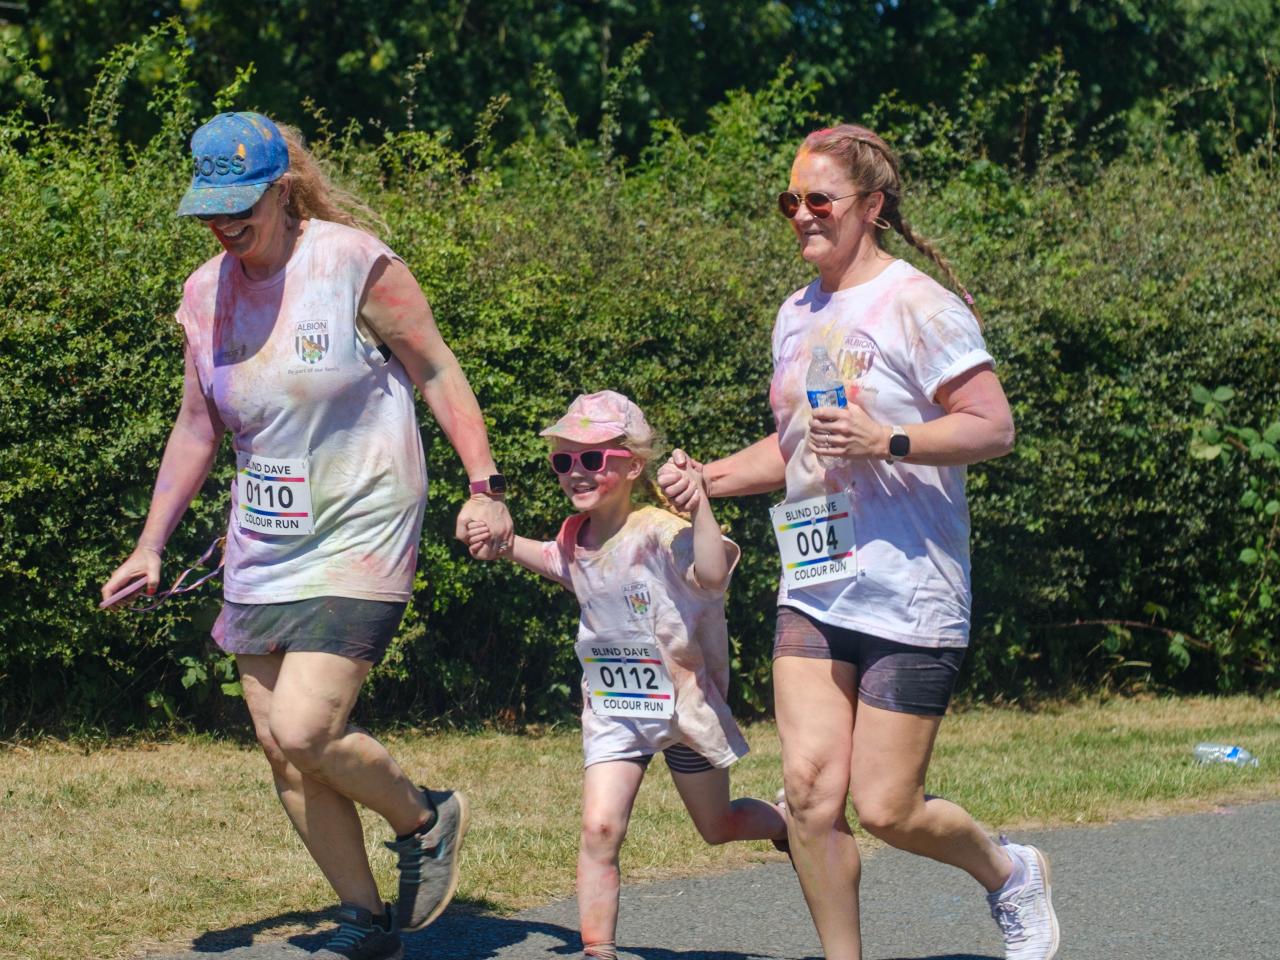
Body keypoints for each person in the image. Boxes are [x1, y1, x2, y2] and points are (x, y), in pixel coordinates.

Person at [99, 112, 513, 960]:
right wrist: (150, 543)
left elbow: (436, 367)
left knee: (306, 728)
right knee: (281, 752)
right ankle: (362, 916)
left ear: (281, 188)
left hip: (363, 522)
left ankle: (424, 815)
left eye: (239, 204)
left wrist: (486, 486)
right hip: (264, 539)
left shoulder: (351, 261)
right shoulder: (204, 292)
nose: (223, 223)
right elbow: (195, 426)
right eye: (208, 208)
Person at [657, 125, 1058, 960]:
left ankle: (1010, 871)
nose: (802, 215)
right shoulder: (794, 316)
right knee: (807, 794)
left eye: (820, 200)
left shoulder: (917, 303)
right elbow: (793, 446)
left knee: (887, 806)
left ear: (870, 207)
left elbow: (994, 426)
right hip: (814, 580)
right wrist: (709, 479)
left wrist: (890, 441)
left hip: (911, 587)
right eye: (790, 201)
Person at [465, 390, 787, 960]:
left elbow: (712, 574)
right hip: (616, 709)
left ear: (633, 465)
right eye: (563, 461)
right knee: (599, 830)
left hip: (685, 708)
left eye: (592, 459)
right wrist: (504, 543)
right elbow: (557, 563)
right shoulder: (574, 535)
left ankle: (784, 823)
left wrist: (703, 505)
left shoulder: (660, 531)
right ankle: (600, 949)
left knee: (718, 826)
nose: (575, 473)